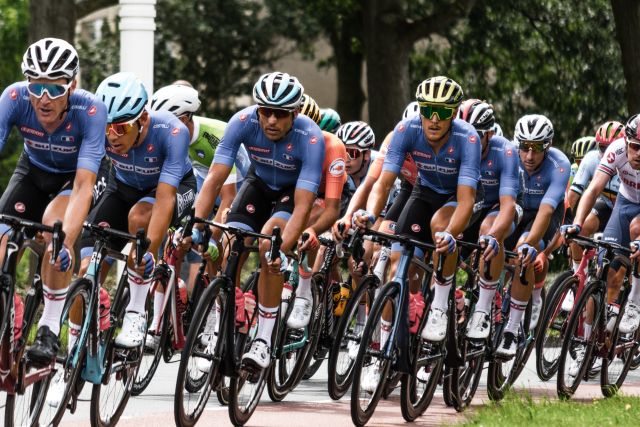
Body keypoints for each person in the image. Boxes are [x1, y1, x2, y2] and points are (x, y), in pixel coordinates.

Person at [192, 72, 325, 371]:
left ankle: (263, 339)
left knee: (270, 245)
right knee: (229, 243)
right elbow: (214, 178)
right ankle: (221, 316)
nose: (271, 121)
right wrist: (197, 224)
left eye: (280, 114)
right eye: (265, 112)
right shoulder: (242, 121)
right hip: (258, 184)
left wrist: (282, 248)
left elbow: (304, 206)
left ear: (295, 113)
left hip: (291, 194)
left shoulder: (311, 137)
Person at [0, 38, 107, 365]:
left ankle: (48, 327)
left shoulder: (91, 111)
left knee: (53, 232)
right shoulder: (14, 97)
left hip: (75, 177)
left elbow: (83, 185)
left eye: (55, 89)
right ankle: (11, 308)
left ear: (71, 86)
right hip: (33, 170)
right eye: (37, 87)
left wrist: (65, 242)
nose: (44, 99)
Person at [354, 75, 481, 344]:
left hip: (454, 197)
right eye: (428, 111)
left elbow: (467, 200)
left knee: (439, 227)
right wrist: (371, 215)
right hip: (423, 192)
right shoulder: (406, 129)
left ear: (455, 113)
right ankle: (384, 347)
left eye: (443, 112)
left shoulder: (467, 137)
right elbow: (384, 182)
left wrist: (450, 233)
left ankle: (440, 302)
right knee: (397, 266)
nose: (434, 119)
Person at [77, 72, 196, 349]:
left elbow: (165, 200)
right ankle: (77, 348)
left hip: (171, 188)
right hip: (123, 186)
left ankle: (136, 313)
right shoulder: (103, 131)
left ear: (142, 119)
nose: (111, 136)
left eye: (120, 128)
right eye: (106, 127)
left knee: (140, 219)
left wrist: (146, 252)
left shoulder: (171, 132)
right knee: (89, 264)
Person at [495, 114, 570, 357]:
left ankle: (513, 327)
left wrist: (528, 244)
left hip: (544, 215)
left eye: (537, 148)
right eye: (524, 147)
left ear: (547, 147)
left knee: (522, 251)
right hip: (518, 208)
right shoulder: (508, 156)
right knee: (494, 245)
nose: (529, 155)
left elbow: (547, 210)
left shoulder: (559, 164)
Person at [564, 114, 640, 339]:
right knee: (610, 273)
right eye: (635, 147)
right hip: (624, 204)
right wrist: (577, 223)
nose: (638, 154)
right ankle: (592, 339)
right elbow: (593, 189)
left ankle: (634, 301)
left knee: (636, 231)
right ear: (626, 142)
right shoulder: (616, 150)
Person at [454, 100, 520, 340]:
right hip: (471, 206)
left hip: (499, 206)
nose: (468, 141)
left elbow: (508, 206)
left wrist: (493, 237)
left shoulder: (505, 151)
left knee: (487, 229)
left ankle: (483, 305)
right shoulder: (454, 146)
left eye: (476, 135)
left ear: (489, 134)